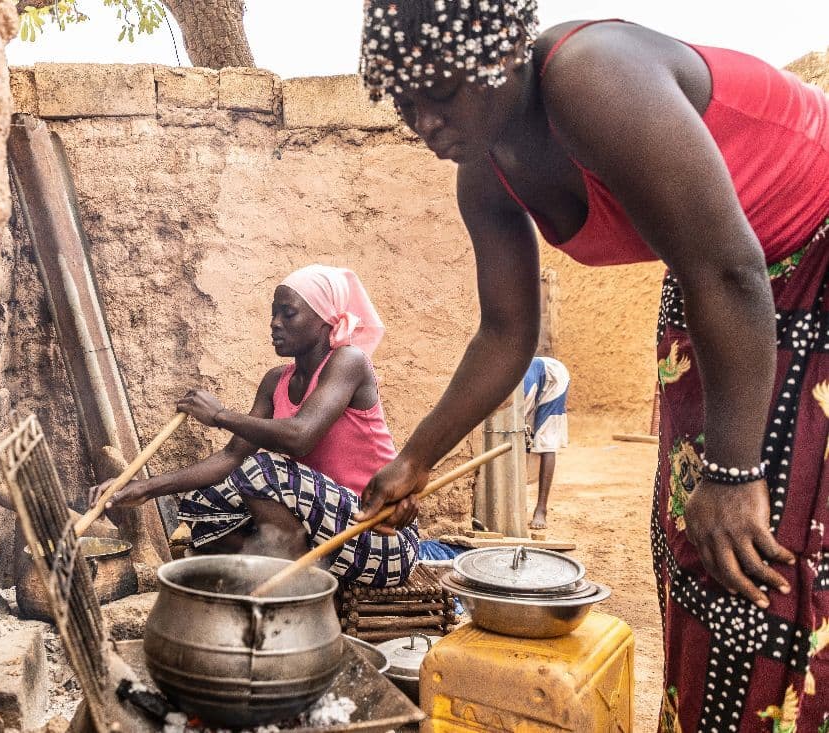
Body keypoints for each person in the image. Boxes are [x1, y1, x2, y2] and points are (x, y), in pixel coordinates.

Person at [354, 2, 829, 729]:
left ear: (500, 53)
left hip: (801, 262)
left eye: (441, 93)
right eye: (405, 103)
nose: (425, 125)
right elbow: (505, 332)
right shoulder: (485, 176)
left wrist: (733, 471)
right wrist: (415, 457)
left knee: (769, 562)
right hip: (714, 284)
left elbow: (728, 268)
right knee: (692, 551)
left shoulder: (590, 76)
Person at [97, 264, 418, 588]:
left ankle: (300, 592)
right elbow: (230, 458)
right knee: (205, 504)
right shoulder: (275, 380)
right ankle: (288, 578)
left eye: (287, 313)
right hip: (324, 541)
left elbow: (300, 438)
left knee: (263, 470)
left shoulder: (349, 361)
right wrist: (143, 488)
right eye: (273, 313)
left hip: (379, 535)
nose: (275, 323)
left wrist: (220, 415)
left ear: (324, 319)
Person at [522, 355, 570, 530]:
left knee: (546, 440)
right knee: (522, 439)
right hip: (535, 380)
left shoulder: (525, 391)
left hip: (554, 380)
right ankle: (519, 505)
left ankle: (541, 509)